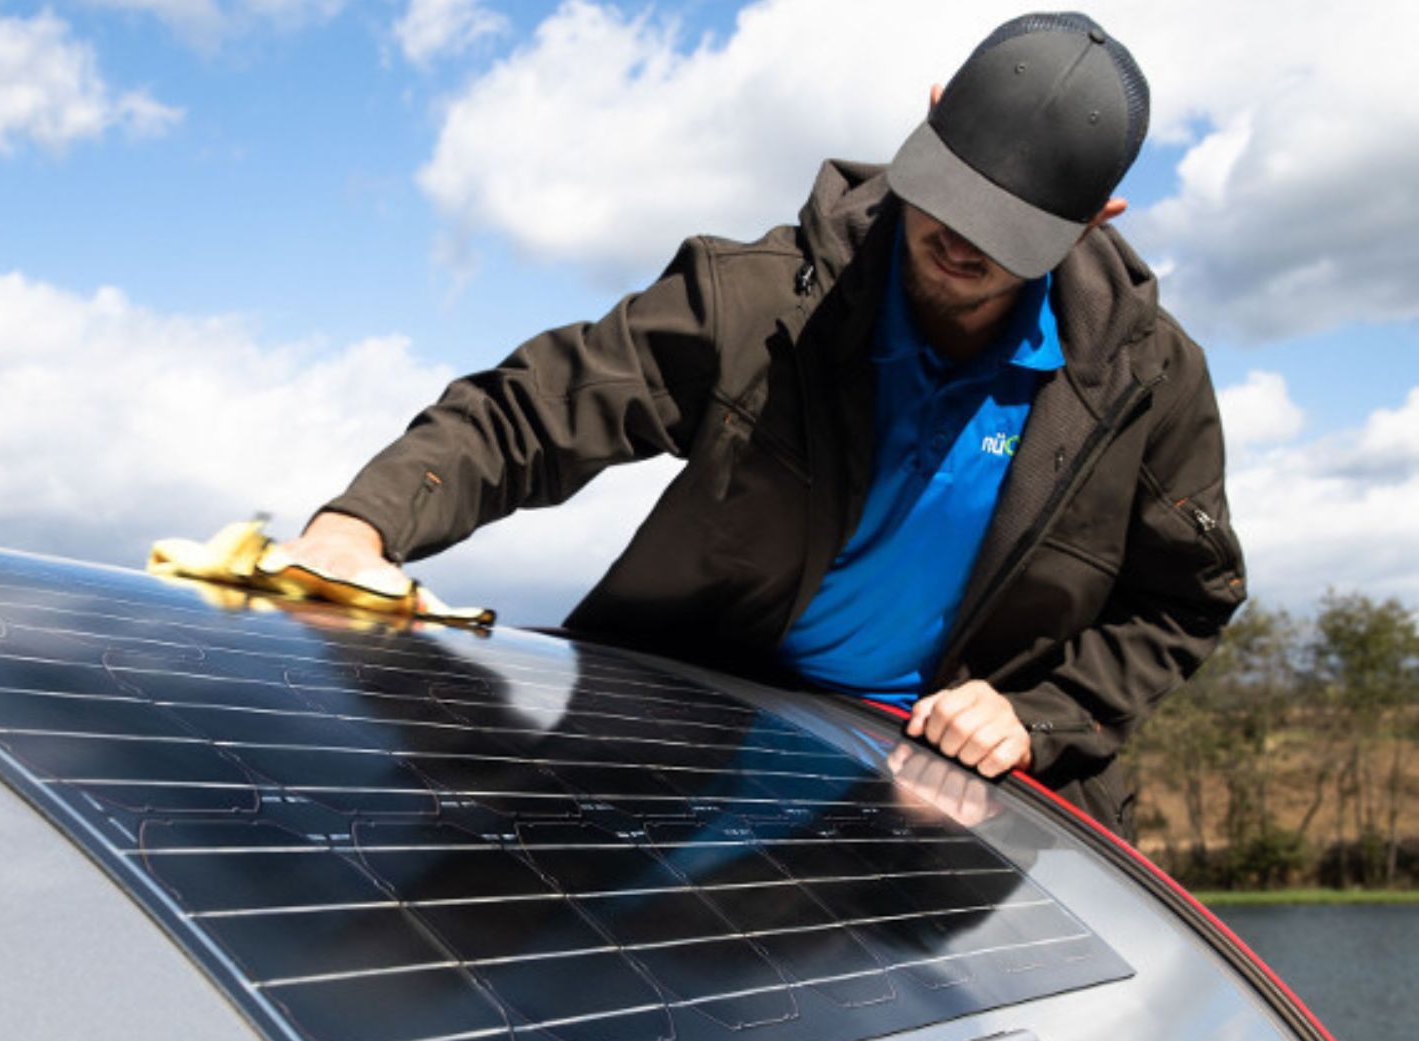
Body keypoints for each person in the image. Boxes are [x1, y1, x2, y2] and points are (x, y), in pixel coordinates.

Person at [279, 12, 1245, 838]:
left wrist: (1041, 715)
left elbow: (1184, 600)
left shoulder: (1149, 384)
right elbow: (532, 407)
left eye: (1010, 228)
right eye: (953, 195)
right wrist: (358, 527)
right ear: (934, 111)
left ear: (1095, 219)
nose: (962, 240)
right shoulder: (759, 299)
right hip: (697, 725)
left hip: (950, 806)